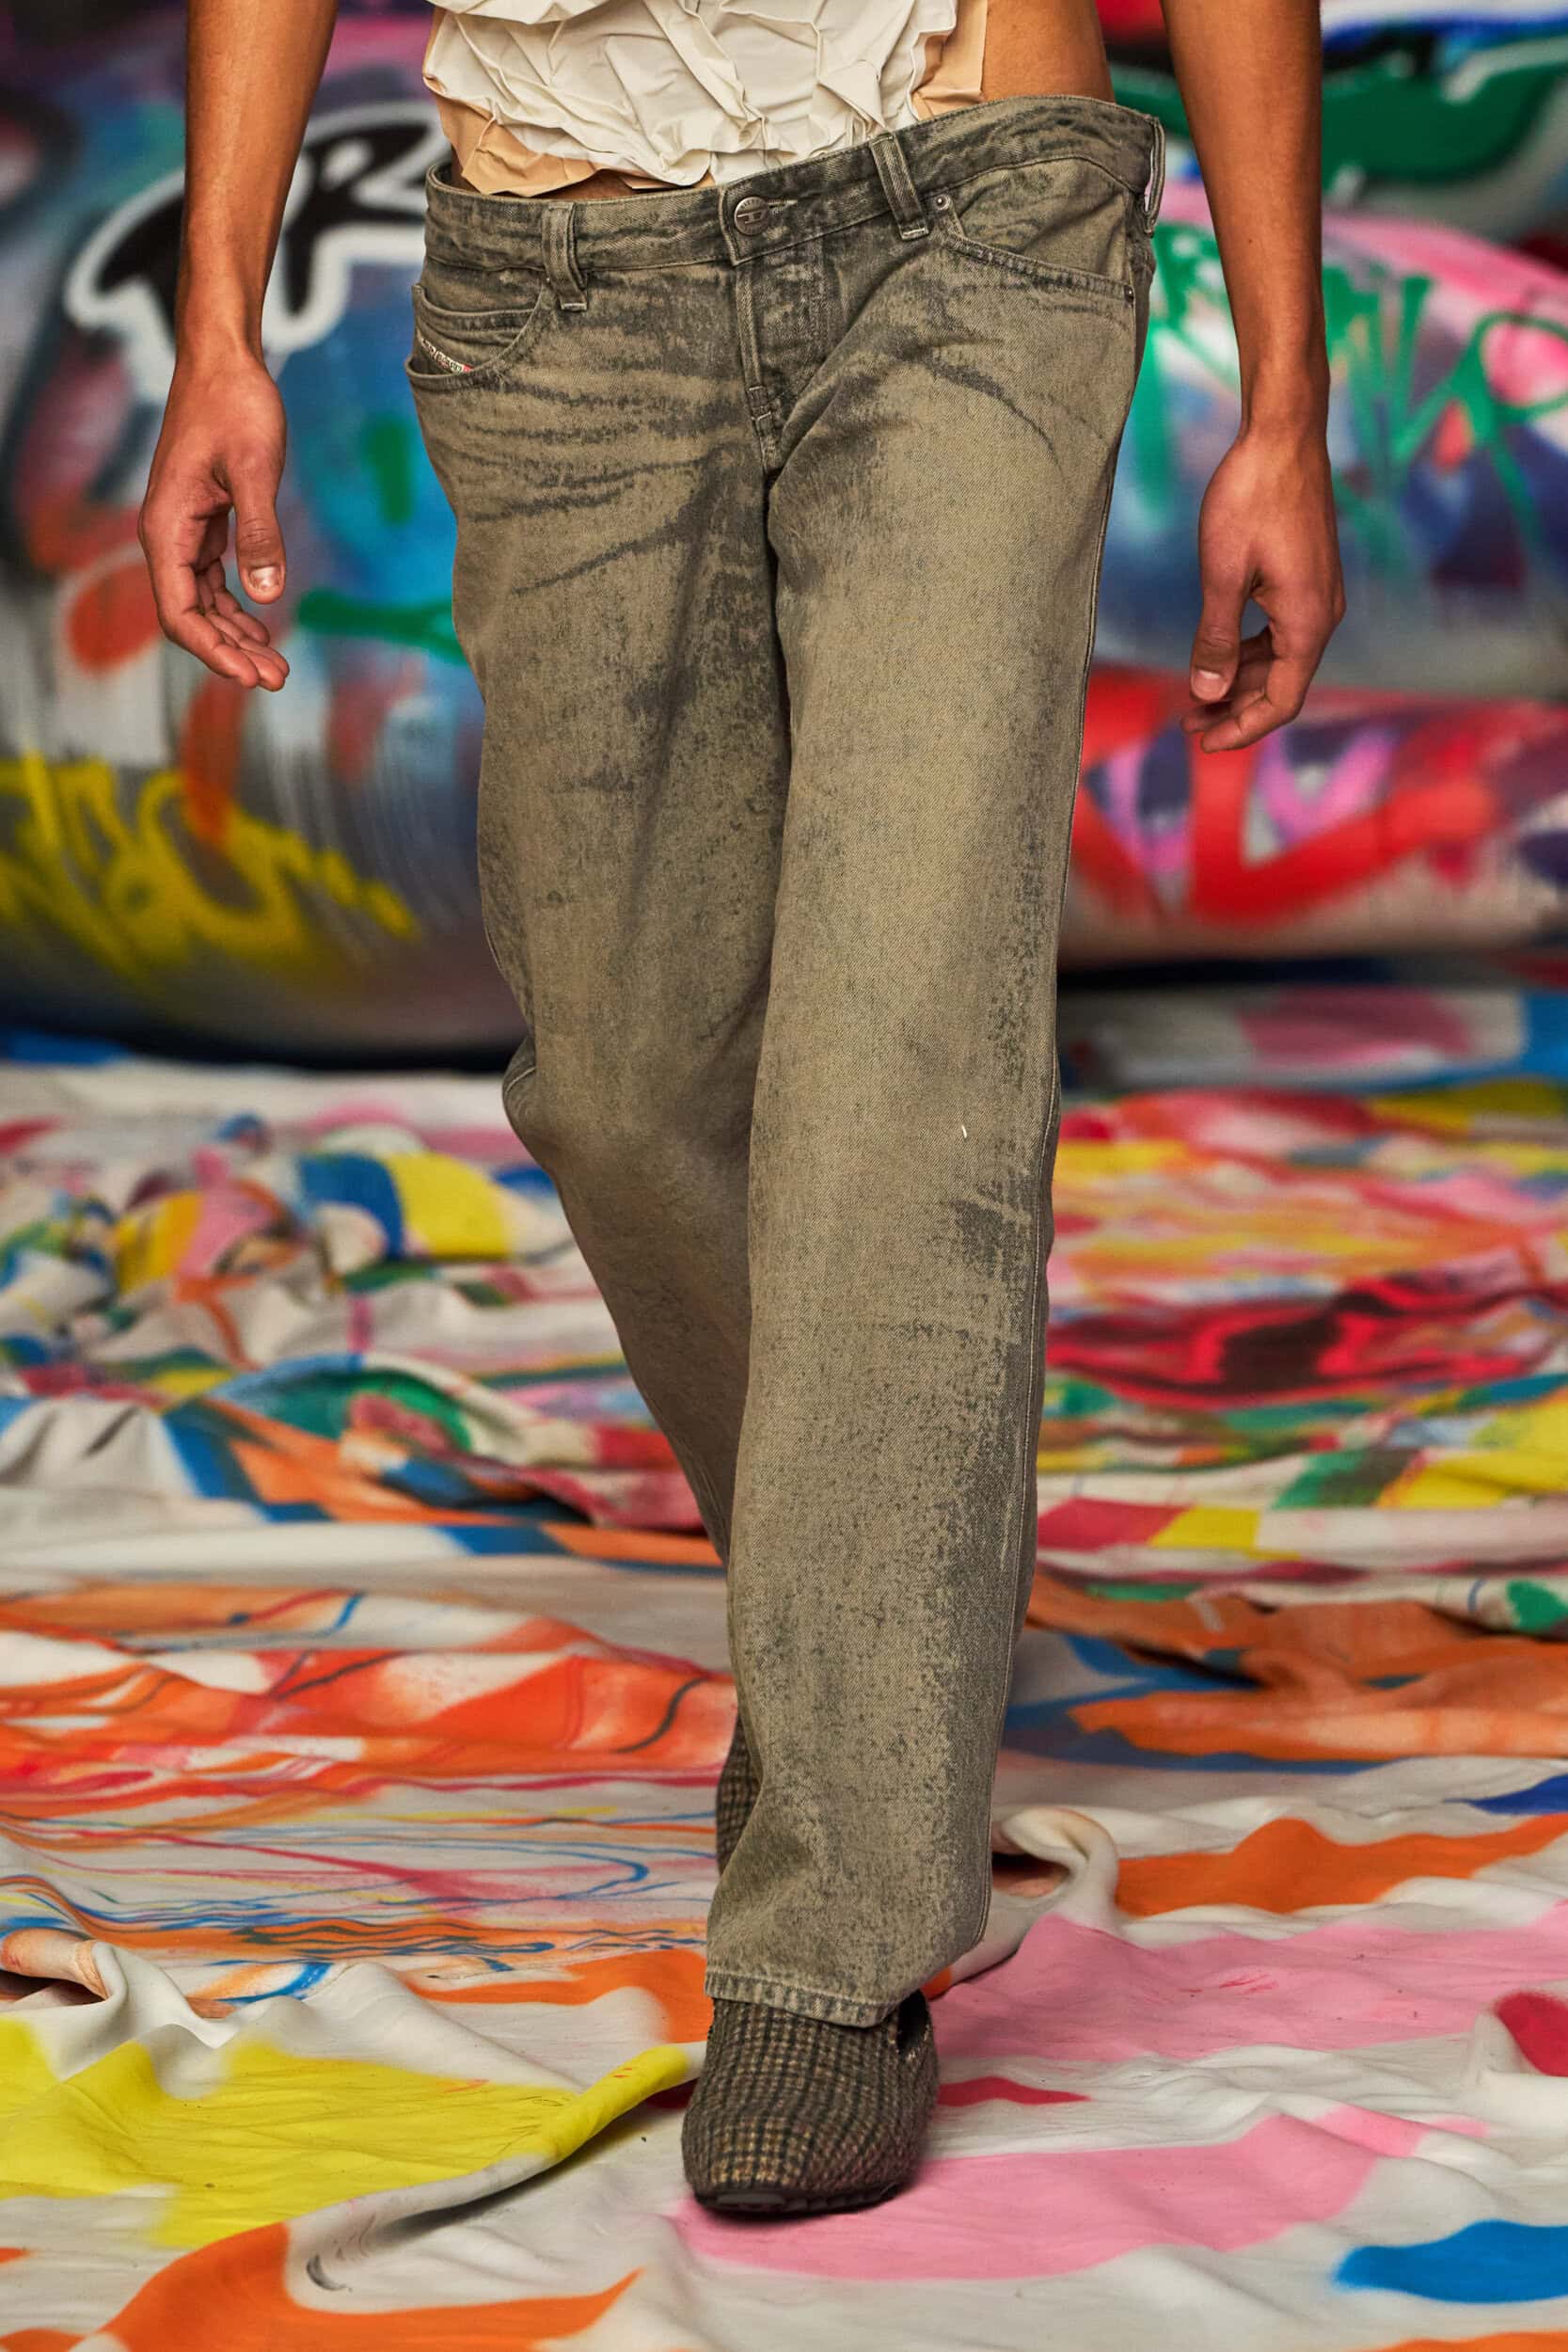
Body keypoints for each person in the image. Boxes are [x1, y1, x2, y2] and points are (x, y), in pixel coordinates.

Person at [140, 0, 1344, 2218]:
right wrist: (219, 318)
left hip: (969, 205)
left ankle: (831, 1944)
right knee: (619, 1086)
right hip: (559, 269)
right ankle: (868, 1634)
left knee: (902, 1074)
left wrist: (1289, 392)